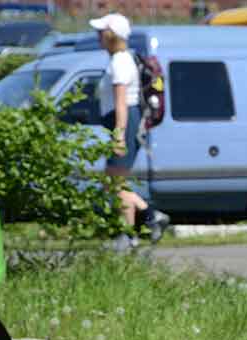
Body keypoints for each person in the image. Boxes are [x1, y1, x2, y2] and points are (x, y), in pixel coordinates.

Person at [90, 12, 169, 250]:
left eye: (101, 31)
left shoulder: (120, 62)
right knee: (117, 185)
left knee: (113, 185)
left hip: (123, 122)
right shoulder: (120, 59)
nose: (98, 35)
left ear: (111, 35)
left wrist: (119, 135)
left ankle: (147, 219)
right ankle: (130, 235)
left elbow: (122, 103)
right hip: (123, 122)